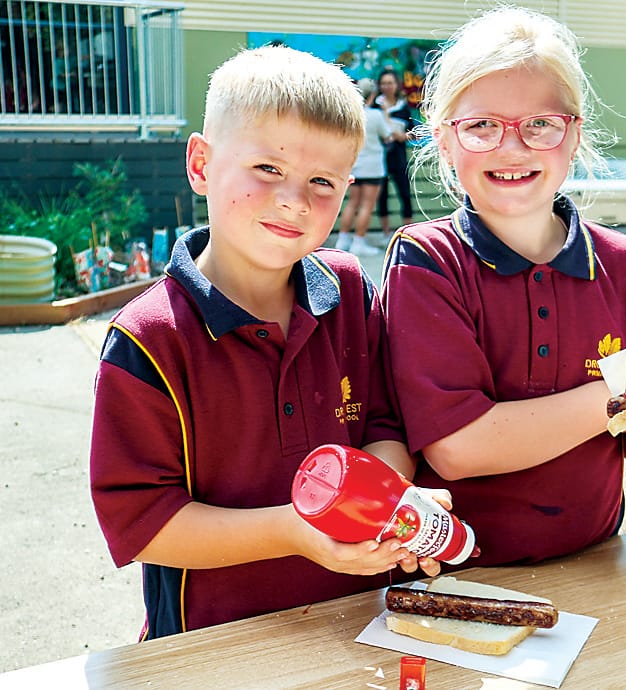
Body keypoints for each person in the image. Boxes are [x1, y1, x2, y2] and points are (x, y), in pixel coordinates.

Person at [89, 45, 443, 640]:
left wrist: (385, 506)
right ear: (201, 164)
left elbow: (386, 425)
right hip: (212, 645)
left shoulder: (351, 292)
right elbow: (143, 523)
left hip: (358, 626)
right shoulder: (147, 340)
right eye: (268, 170)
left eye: (323, 181)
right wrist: (295, 530)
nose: (295, 201)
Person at [381, 7, 626, 568]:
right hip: (454, 580)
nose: (512, 148)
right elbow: (459, 448)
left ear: (574, 137)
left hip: (597, 560)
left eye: (540, 124)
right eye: (482, 126)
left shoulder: (623, 264)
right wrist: (620, 396)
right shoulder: (427, 260)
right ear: (445, 142)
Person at [335, 78, 392, 257]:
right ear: (373, 94)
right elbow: (388, 135)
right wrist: (385, 113)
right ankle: (359, 241)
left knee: (352, 202)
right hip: (373, 167)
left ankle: (342, 239)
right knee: (367, 204)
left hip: (355, 165)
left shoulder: (351, 114)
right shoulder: (376, 115)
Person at [375, 68, 416, 238]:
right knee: (381, 196)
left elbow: (414, 132)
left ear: (396, 85)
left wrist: (402, 136)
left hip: (398, 156)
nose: (387, 86)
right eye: (383, 83)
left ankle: (409, 234)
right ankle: (386, 234)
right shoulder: (375, 105)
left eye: (390, 83)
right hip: (379, 157)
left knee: (405, 194)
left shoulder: (403, 107)